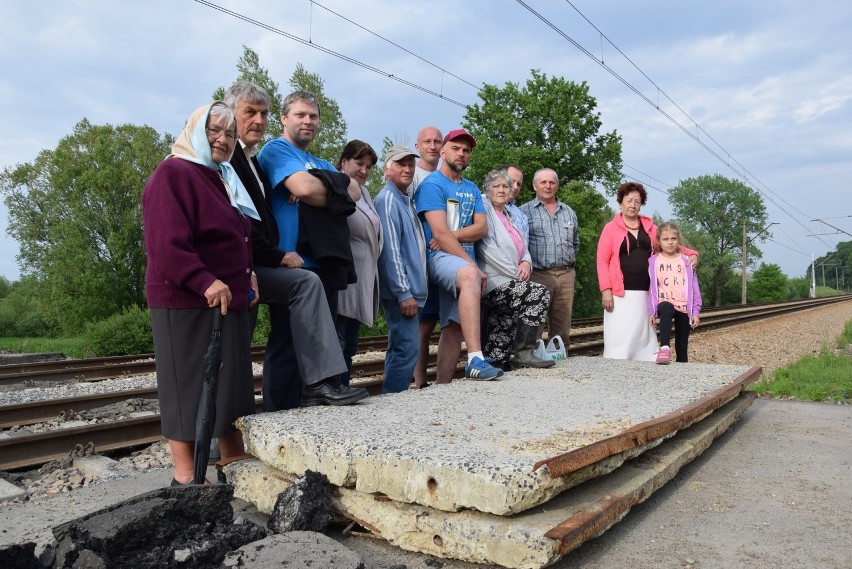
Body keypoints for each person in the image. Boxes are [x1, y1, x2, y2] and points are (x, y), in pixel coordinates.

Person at [224, 81, 364, 410]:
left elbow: (354, 190)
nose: (308, 121)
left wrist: (322, 183)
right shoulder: (275, 150)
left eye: (314, 116)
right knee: (287, 345)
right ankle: (277, 412)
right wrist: (322, 187)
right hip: (290, 258)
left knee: (318, 342)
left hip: (322, 260)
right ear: (285, 119)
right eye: (300, 114)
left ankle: (308, 407)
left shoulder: (314, 159)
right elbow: (303, 188)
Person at [142, 101, 259, 485]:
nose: (222, 140)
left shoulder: (221, 178)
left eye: (229, 134)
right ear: (194, 131)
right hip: (187, 300)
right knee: (186, 387)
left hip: (225, 300)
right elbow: (166, 247)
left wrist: (249, 273)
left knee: (231, 387)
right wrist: (204, 279)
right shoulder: (172, 173)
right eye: (214, 131)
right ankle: (187, 478)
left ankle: (235, 468)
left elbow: (237, 236)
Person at [415, 128, 503, 381]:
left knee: (453, 326)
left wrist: (451, 235)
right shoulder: (432, 185)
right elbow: (437, 236)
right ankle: (476, 358)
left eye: (466, 150)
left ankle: (443, 386)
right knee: (468, 277)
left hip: (459, 258)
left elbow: (481, 228)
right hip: (439, 259)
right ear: (443, 151)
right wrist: (471, 266)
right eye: (456, 148)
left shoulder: (472, 188)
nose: (461, 153)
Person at [597, 182, 698, 361]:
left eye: (637, 201)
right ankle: (616, 362)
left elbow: (670, 244)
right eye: (629, 200)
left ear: (641, 203)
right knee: (620, 334)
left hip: (646, 291)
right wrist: (606, 291)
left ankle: (646, 361)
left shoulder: (650, 227)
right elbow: (602, 261)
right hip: (620, 292)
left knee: (643, 333)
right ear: (620, 202)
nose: (633, 205)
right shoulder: (609, 228)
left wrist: (692, 254)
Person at [476, 169, 553, 369]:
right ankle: (524, 352)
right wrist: (514, 273)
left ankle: (497, 362)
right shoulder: (485, 210)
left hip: (509, 279)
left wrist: (526, 262)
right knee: (537, 294)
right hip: (494, 279)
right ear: (487, 189)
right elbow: (486, 249)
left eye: (505, 186)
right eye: (496, 186)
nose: (502, 190)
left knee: (503, 323)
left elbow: (522, 246)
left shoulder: (510, 213)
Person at [375, 145, 428, 393]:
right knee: (407, 349)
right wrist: (403, 291)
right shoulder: (387, 199)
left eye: (410, 164)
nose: (407, 169)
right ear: (387, 169)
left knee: (401, 347)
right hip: (401, 293)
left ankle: (391, 398)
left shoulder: (404, 199)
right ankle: (393, 402)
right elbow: (390, 250)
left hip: (408, 290)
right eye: (400, 164)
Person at [335, 140, 383, 385]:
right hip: (344, 278)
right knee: (339, 339)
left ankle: (343, 387)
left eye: (369, 166)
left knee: (350, 343)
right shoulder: (337, 187)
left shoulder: (363, 192)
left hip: (361, 279)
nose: (364, 170)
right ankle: (337, 389)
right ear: (344, 162)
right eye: (359, 164)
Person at [520, 168, 579, 346]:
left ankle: (560, 361)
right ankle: (530, 362)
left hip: (565, 274)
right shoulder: (524, 212)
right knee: (534, 322)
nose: (548, 186)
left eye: (552, 182)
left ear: (557, 186)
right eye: (543, 182)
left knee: (562, 325)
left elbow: (575, 243)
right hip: (537, 274)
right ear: (534, 186)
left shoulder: (569, 212)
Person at [411, 126, 444, 389]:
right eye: (427, 142)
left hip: (445, 255)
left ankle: (440, 380)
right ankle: (418, 381)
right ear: (417, 146)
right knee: (423, 324)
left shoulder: (446, 177)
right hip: (420, 257)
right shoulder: (412, 175)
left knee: (442, 321)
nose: (432, 146)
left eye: (436, 142)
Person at [648, 222, 702, 364]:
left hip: (684, 306)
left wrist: (695, 311)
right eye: (665, 239)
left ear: (678, 240)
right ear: (659, 241)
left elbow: (694, 287)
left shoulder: (687, 261)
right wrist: (652, 312)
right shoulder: (654, 261)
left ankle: (682, 372)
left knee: (682, 346)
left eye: (673, 239)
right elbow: (652, 288)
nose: (670, 242)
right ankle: (664, 347)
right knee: (666, 307)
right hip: (664, 303)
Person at [500, 163, 529, 245]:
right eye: (512, 181)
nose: (515, 187)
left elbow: (524, 246)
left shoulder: (522, 216)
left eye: (519, 184)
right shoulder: (482, 203)